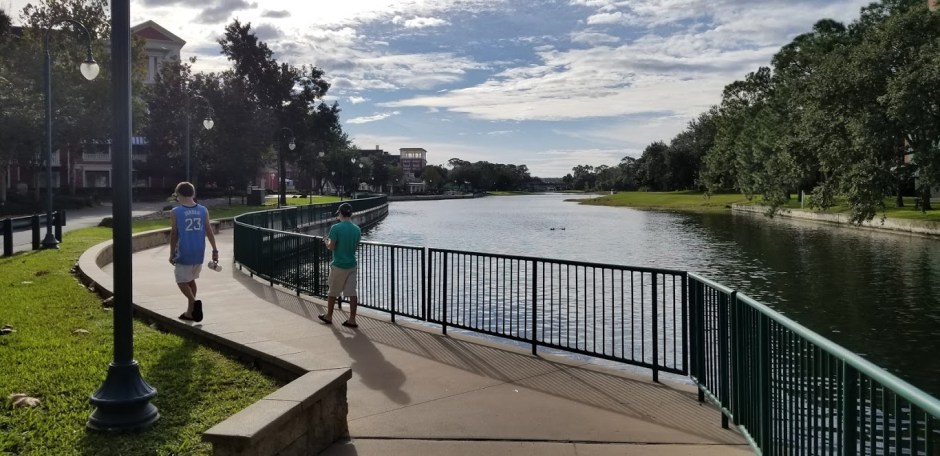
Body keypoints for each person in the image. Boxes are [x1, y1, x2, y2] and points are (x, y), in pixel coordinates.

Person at [169, 181, 218, 322]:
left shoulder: (176, 212)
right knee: (191, 280)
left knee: (181, 281)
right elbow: (209, 230)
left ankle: (194, 302)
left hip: (184, 251)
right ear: (193, 194)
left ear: (178, 195)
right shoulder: (203, 210)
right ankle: (190, 312)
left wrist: (172, 253)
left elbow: (174, 234)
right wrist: (215, 250)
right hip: (199, 252)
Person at [318, 202, 361, 328]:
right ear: (351, 214)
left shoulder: (336, 228)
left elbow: (331, 247)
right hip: (352, 264)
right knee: (352, 292)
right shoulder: (357, 229)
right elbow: (356, 245)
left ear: (341, 213)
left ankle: (329, 316)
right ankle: (352, 319)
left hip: (339, 264)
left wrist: (326, 241)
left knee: (332, 291)